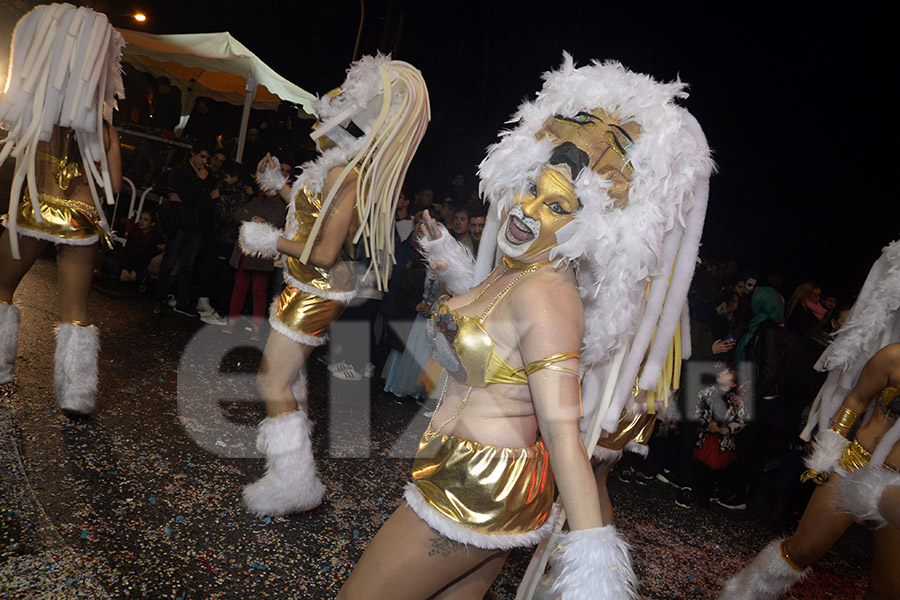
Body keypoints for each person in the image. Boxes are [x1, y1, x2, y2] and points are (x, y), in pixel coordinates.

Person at [338, 56, 712, 599]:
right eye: (531, 187)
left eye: (556, 205)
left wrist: (593, 567)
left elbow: (563, 433)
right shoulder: (522, 269)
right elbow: (494, 335)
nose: (527, 208)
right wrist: (449, 263)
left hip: (479, 486)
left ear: (588, 226)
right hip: (476, 474)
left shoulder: (545, 295)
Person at [237, 54, 430, 516]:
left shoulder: (347, 174)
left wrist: (269, 240)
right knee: (287, 375)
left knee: (271, 378)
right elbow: (313, 217)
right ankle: (292, 473)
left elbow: (324, 252)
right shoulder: (338, 167)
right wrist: (282, 185)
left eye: (336, 108)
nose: (323, 113)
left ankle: (294, 483)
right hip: (306, 283)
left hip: (317, 289)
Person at [720, 239, 900, 600]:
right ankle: (741, 594)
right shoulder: (892, 358)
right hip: (857, 465)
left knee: (888, 587)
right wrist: (826, 454)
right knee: (800, 551)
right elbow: (855, 400)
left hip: (897, 487)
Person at [0, 4, 124, 415]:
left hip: (33, 211)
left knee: (0, 286)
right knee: (74, 311)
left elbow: (20, 164)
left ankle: (1, 369)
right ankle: (76, 397)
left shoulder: (37, 117)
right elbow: (115, 186)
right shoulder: (104, 128)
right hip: (80, 218)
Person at [222, 188, 287, 339]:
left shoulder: (278, 205)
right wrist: (254, 218)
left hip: (260, 254)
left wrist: (250, 216)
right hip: (245, 252)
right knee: (240, 288)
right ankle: (233, 322)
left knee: (259, 291)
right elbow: (238, 213)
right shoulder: (257, 200)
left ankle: (256, 329)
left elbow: (272, 223)